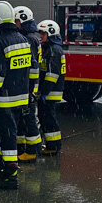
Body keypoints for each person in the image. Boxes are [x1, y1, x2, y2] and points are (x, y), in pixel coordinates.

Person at [0, 1, 31, 190]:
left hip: (5, 99)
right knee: (5, 134)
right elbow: (30, 69)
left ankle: (10, 177)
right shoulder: (23, 39)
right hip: (21, 97)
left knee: (8, 136)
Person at [14, 6, 43, 162]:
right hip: (28, 86)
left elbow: (33, 67)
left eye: (17, 21)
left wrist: (32, 90)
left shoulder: (30, 38)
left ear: (23, 20)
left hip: (29, 87)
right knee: (25, 120)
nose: (15, 24)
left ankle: (32, 152)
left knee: (29, 119)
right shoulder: (31, 36)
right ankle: (29, 148)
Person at [37, 20, 65, 155]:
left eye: (43, 33)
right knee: (45, 118)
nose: (41, 36)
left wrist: (44, 92)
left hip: (50, 92)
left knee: (49, 119)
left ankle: (53, 147)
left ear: (51, 33)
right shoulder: (51, 48)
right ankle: (51, 145)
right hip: (49, 91)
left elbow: (52, 74)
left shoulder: (54, 50)